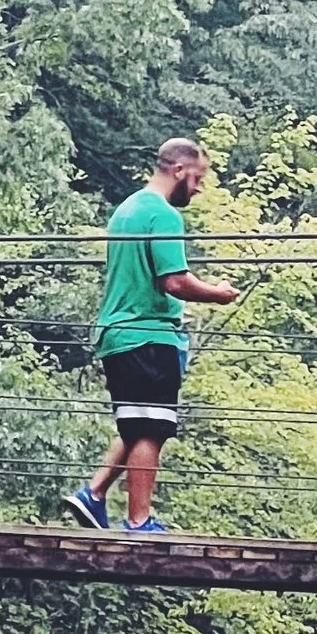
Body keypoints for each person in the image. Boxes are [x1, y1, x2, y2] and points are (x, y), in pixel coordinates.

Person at [66, 137, 239, 535]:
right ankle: (139, 521)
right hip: (146, 337)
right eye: (198, 179)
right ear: (179, 170)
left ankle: (93, 494)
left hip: (119, 332)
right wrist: (218, 293)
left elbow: (142, 280)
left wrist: (175, 312)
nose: (198, 189)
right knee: (152, 428)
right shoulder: (162, 215)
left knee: (137, 420)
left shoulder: (126, 210)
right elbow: (174, 281)